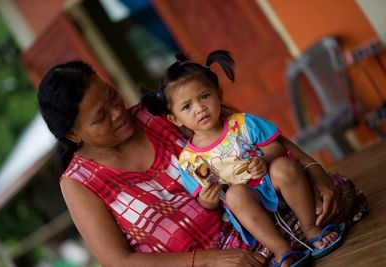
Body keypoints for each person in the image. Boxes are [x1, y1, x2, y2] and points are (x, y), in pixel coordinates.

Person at [37, 60, 367, 267]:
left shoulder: (160, 112)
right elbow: (118, 261)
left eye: (111, 95)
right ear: (73, 134)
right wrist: (210, 260)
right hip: (203, 262)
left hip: (260, 226)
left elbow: (249, 131)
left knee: (328, 200)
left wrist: (313, 169)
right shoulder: (79, 183)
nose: (117, 111)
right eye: (100, 117)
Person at [140, 50, 345, 266]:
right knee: (234, 196)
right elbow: (203, 199)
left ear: (218, 94)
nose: (199, 108)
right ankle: (282, 250)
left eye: (204, 96)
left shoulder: (243, 124)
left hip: (274, 183)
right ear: (175, 119)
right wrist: (207, 201)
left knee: (283, 166)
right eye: (187, 106)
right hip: (248, 203)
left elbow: (276, 148)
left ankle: (311, 228)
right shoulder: (188, 160)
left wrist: (264, 161)